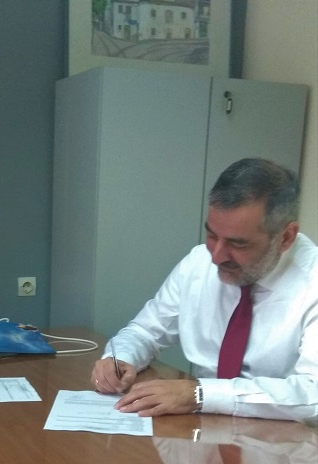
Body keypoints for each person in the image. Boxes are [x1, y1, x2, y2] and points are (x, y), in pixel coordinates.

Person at [91, 158, 318, 423]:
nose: (216, 256)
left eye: (238, 244)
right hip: (203, 426)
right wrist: (121, 358)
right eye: (211, 235)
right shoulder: (198, 263)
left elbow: (313, 392)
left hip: (286, 436)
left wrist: (200, 394)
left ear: (286, 237)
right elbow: (145, 332)